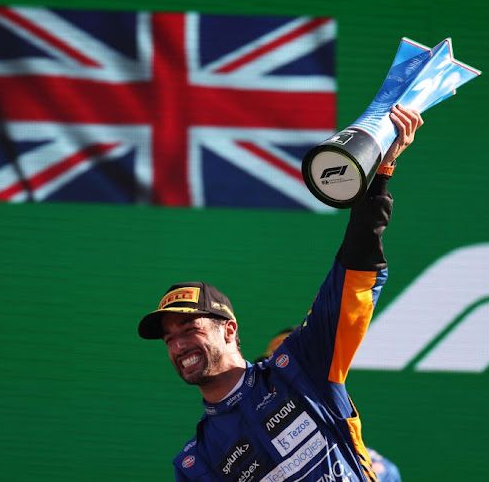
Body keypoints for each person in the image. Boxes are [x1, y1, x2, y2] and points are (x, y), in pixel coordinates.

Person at [138, 104, 423, 482]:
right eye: (170, 338)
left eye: (190, 330)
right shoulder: (198, 462)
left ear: (229, 330)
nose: (178, 346)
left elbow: (352, 275)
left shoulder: (301, 367)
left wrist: (381, 175)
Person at [255, 328, 402, 482]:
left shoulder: (378, 469)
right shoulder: (254, 458)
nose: (276, 387)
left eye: (287, 377)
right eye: (270, 377)